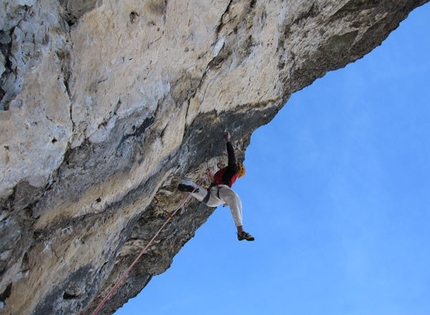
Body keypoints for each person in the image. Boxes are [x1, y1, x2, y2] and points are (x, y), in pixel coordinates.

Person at [178, 132, 255, 241]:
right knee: (190, 185)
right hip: (212, 200)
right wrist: (212, 177)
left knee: (234, 197)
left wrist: (228, 141)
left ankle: (240, 230)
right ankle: (188, 187)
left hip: (219, 192)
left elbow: (231, 156)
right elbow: (218, 182)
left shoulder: (234, 169)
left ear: (239, 168)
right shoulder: (230, 177)